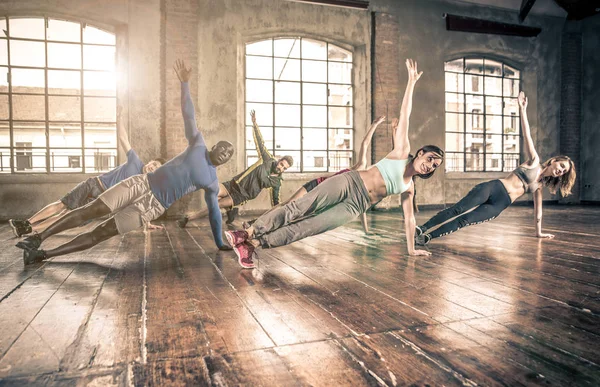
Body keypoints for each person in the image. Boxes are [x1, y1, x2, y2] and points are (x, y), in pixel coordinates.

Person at [225, 59, 444, 268]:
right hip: (350, 182)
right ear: (421, 152)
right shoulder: (401, 151)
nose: (430, 165)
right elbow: (405, 113)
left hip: (356, 206)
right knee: (299, 208)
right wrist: (411, 82)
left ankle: (252, 246)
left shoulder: (409, 187)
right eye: (431, 159)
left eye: (435, 166)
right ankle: (247, 233)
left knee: (308, 227)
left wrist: (411, 249)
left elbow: (409, 218)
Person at [17, 59, 234, 265]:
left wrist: (219, 242)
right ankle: (38, 238)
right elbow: (189, 116)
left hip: (152, 206)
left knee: (99, 233)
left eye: (229, 154)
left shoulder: (212, 182)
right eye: (223, 148)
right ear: (214, 146)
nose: (224, 154)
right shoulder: (197, 144)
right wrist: (184, 83)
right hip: (141, 183)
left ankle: (42, 255)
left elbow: (214, 212)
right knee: (91, 210)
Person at [414, 91, 576, 246]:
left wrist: (539, 233)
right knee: (458, 210)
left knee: (464, 221)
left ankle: (428, 237)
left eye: (564, 172)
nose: (561, 170)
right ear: (554, 161)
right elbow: (527, 135)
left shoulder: (539, 187)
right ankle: (422, 228)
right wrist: (522, 109)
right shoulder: (535, 161)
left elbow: (538, 212)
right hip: (494, 188)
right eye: (561, 166)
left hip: (500, 203)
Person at [9, 106, 164, 238]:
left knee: (66, 217)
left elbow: (139, 204)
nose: (152, 167)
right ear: (150, 161)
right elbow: (123, 138)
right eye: (154, 164)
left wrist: (147, 224)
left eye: (156, 168)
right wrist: (119, 117)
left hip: (102, 202)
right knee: (62, 205)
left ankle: (28, 229)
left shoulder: (144, 184)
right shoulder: (135, 160)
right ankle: (27, 222)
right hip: (95, 185)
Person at [244, 115, 388, 234]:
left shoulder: (364, 189)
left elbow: (360, 208)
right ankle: (255, 223)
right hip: (317, 184)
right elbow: (365, 144)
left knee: (299, 216)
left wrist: (366, 231)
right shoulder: (360, 167)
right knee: (288, 203)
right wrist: (375, 124)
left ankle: (264, 227)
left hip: (323, 197)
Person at [177, 110, 293, 228]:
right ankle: (230, 211)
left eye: (284, 168)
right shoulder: (267, 160)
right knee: (211, 191)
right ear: (279, 161)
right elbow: (260, 143)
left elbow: (275, 201)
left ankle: (188, 219)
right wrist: (254, 124)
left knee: (215, 204)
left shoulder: (277, 182)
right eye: (281, 164)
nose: (281, 167)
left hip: (242, 195)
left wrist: (279, 215)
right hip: (234, 184)